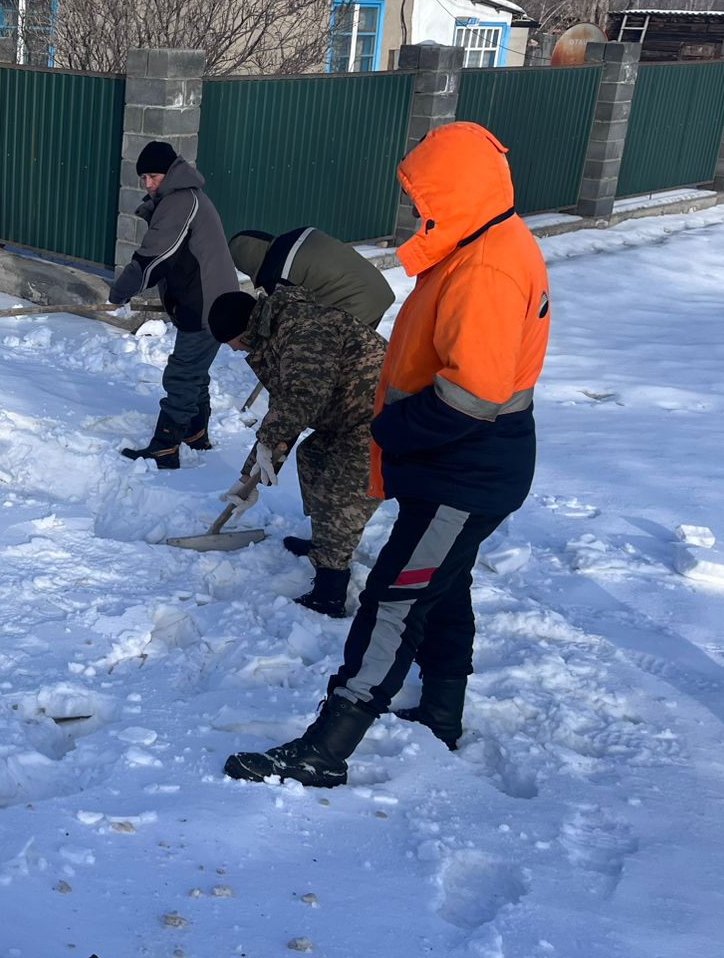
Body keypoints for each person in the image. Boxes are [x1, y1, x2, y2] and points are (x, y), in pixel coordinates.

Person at [224, 122, 550, 787]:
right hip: (465, 462)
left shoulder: (486, 264)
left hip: (468, 463)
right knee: (443, 587)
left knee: (394, 600)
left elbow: (473, 395)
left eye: (423, 195)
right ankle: (439, 712)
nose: (415, 210)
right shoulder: (480, 244)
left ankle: (326, 747)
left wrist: (390, 431)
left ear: (455, 190)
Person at [206, 280, 386, 617]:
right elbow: (284, 406)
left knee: (342, 489)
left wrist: (271, 443)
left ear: (245, 330)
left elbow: (302, 396)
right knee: (313, 456)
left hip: (385, 416)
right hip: (351, 415)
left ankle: (331, 589)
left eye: (233, 343)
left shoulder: (302, 328)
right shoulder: (276, 331)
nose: (234, 351)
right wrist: (250, 472)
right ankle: (324, 545)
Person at [109, 140, 237, 469]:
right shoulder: (182, 197)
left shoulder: (181, 201)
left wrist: (121, 291)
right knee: (195, 372)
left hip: (207, 302)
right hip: (206, 298)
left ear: (170, 173)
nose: (148, 184)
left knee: (182, 375)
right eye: (144, 178)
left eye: (153, 176)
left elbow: (155, 256)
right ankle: (196, 433)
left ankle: (165, 448)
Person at [228, 225, 394, 329]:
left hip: (355, 303)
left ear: (248, 265)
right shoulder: (302, 233)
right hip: (378, 290)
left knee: (317, 351)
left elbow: (290, 321)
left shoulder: (276, 273)